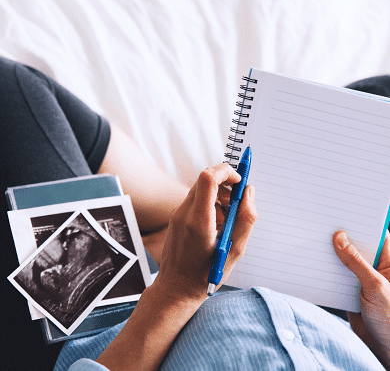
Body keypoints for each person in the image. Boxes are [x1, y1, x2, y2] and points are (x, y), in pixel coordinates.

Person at [1, 56, 389, 370]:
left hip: (120, 331)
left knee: (9, 91)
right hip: (333, 308)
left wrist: (176, 290)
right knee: (377, 104)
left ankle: (172, 234)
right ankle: (182, 218)